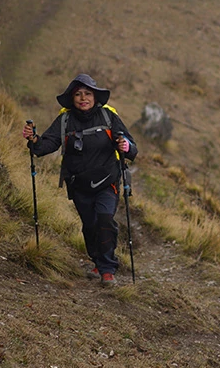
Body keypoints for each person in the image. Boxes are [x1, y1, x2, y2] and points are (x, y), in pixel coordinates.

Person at [22, 73, 137, 286]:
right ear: (72, 98)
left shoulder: (108, 116)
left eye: (88, 93)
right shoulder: (65, 120)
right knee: (90, 225)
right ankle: (98, 261)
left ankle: (107, 269)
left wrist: (125, 146)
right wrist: (34, 139)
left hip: (107, 182)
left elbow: (131, 147)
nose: (83, 98)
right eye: (78, 94)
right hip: (79, 184)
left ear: (95, 96)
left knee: (104, 219)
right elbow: (46, 145)